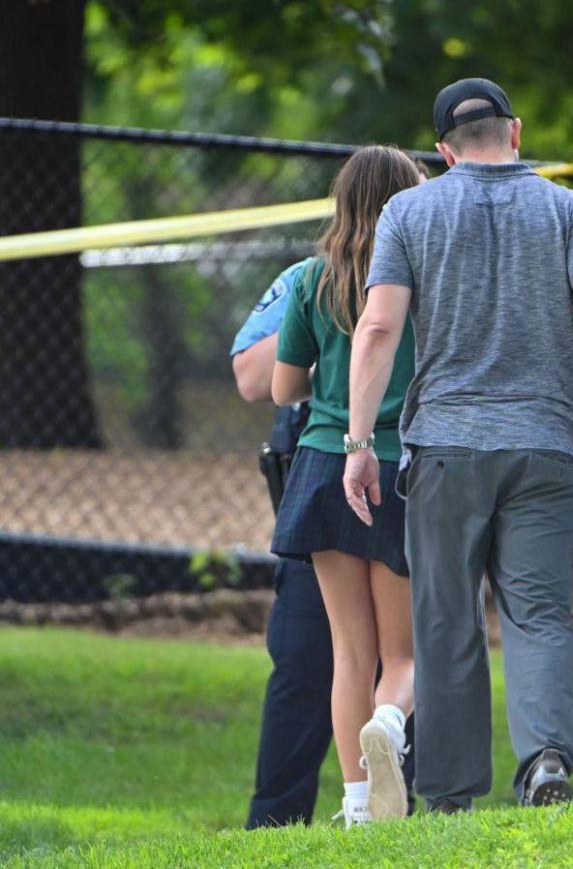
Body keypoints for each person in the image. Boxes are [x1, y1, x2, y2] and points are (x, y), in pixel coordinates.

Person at [343, 78, 573, 812]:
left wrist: (358, 441)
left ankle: (450, 792)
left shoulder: (407, 212)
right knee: (538, 611)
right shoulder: (569, 208)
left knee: (447, 617)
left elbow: (378, 327)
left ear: (445, 151)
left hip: (445, 445)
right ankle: (545, 761)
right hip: (545, 445)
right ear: (515, 132)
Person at [271, 145, 422, 826]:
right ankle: (389, 724)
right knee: (403, 654)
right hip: (400, 467)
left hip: (322, 466)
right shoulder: (425, 276)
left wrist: (330, 377)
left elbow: (283, 388)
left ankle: (357, 805)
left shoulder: (313, 279)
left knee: (349, 653)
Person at [231, 263, 333, 829]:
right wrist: (324, 312)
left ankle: (404, 825)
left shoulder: (432, 262)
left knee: (403, 667)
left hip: (407, 485)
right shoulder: (310, 279)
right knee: (302, 663)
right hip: (317, 497)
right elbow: (251, 378)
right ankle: (273, 833)